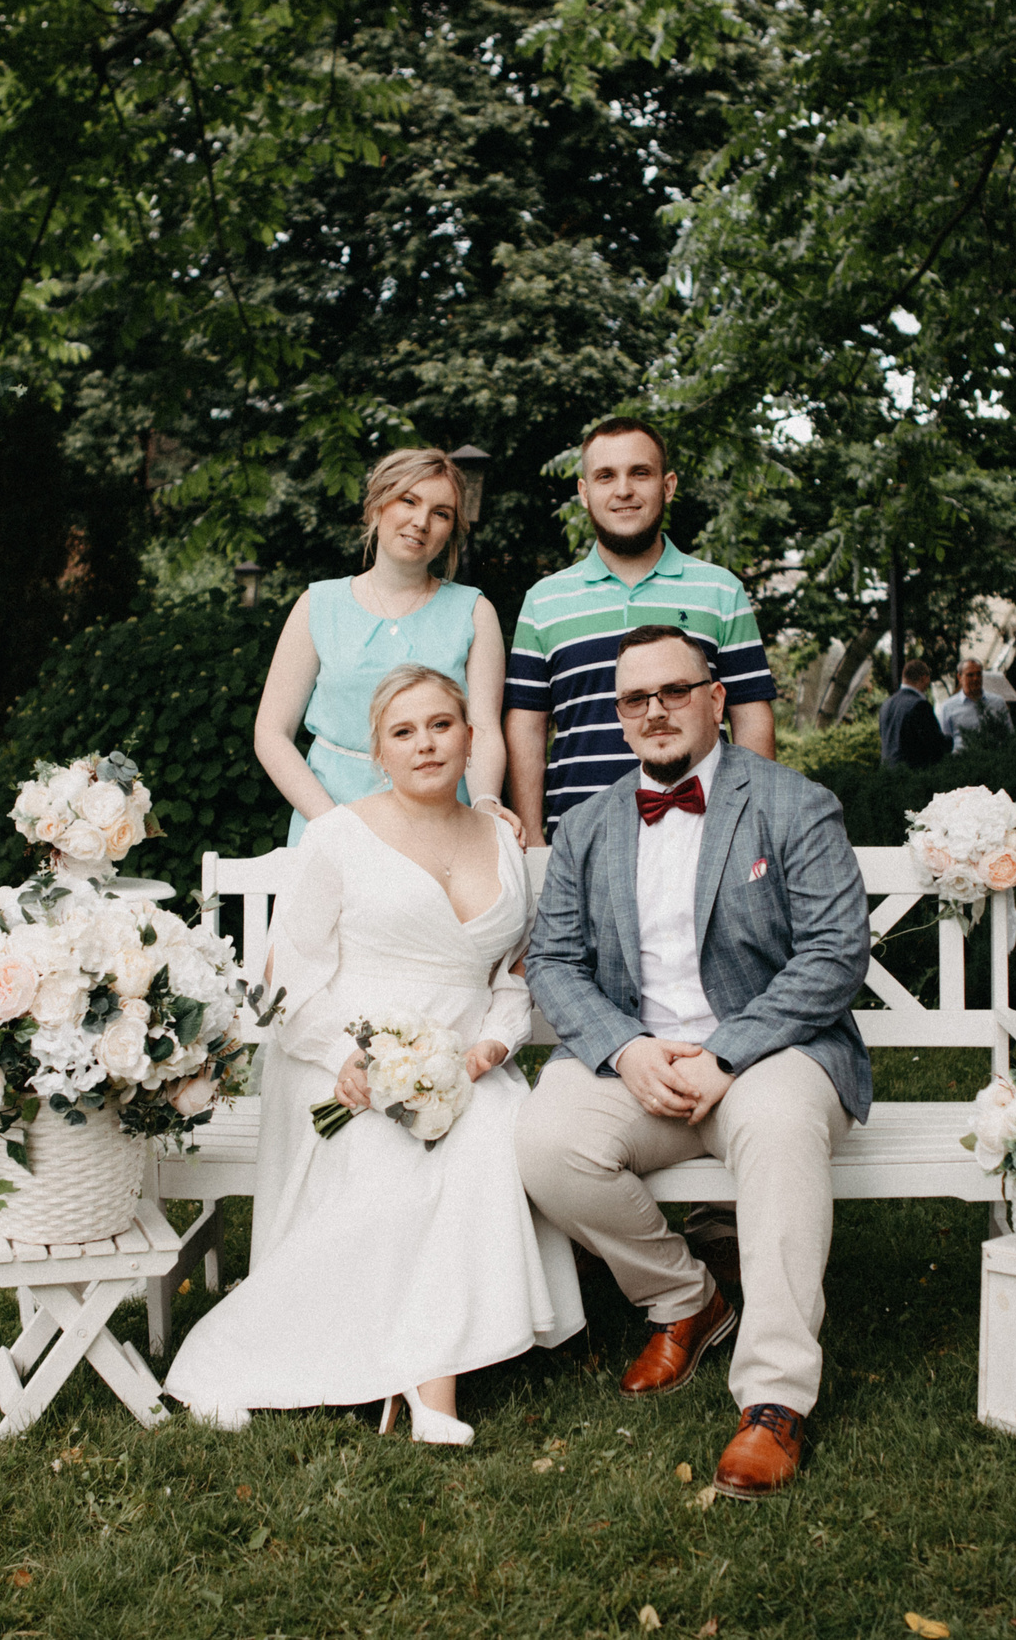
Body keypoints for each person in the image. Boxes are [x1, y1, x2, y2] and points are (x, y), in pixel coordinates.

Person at [167, 665, 584, 1441]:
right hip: (344, 1065)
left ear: (470, 738)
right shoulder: (338, 838)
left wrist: (492, 1046)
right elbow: (284, 979)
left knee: (491, 1137)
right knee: (394, 1165)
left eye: (441, 725)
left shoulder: (501, 834)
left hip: (466, 1062)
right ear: (377, 753)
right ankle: (388, 1381)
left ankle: (424, 1385)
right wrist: (350, 1058)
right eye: (404, 732)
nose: (425, 743)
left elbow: (512, 976)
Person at [516, 625, 872, 1499]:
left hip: (770, 1052)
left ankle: (775, 1400)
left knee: (784, 1128)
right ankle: (685, 1298)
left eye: (675, 691)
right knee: (545, 1142)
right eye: (636, 698)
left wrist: (727, 1052)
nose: (656, 710)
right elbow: (553, 962)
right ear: (618, 716)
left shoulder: (793, 803)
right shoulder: (590, 822)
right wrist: (624, 1047)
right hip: (641, 1058)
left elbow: (834, 952)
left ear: (715, 699)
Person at [504, 418, 775, 846]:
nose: (624, 489)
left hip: (705, 836)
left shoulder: (720, 590)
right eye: (606, 476)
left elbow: (751, 717)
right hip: (580, 843)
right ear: (584, 492)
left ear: (667, 486)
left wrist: (754, 825)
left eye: (640, 473)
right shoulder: (543, 601)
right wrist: (534, 836)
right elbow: (526, 728)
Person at [255, 448, 519, 845]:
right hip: (333, 825)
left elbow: (481, 728)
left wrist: (485, 803)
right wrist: (333, 825)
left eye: (441, 513)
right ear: (378, 505)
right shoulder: (318, 605)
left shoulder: (475, 612)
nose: (421, 522)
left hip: (442, 827)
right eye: (408, 501)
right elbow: (272, 732)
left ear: (452, 529)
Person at [877, 659, 950, 769]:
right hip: (911, 774)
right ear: (924, 678)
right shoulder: (919, 705)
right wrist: (950, 740)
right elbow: (934, 744)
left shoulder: (886, 704)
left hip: (887, 772)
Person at [934, 659, 1013, 752]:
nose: (975, 678)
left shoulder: (998, 702)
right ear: (960, 677)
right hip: (962, 761)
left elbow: (1009, 734)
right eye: (970, 675)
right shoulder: (948, 706)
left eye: (978, 674)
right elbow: (945, 741)